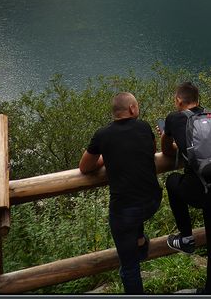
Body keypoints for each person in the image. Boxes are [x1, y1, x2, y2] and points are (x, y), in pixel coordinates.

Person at [79, 92, 162, 295]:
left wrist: (107, 157)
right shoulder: (143, 127)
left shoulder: (102, 135)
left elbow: (85, 167)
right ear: (132, 109)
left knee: (129, 268)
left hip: (125, 211)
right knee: (135, 211)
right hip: (153, 201)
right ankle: (140, 241)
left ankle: (137, 247)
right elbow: (151, 150)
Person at [161, 82, 211, 294]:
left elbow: (168, 152)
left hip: (197, 189)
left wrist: (165, 133)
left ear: (179, 101)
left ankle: (186, 236)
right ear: (198, 99)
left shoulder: (174, 118)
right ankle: (210, 291)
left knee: (172, 181)